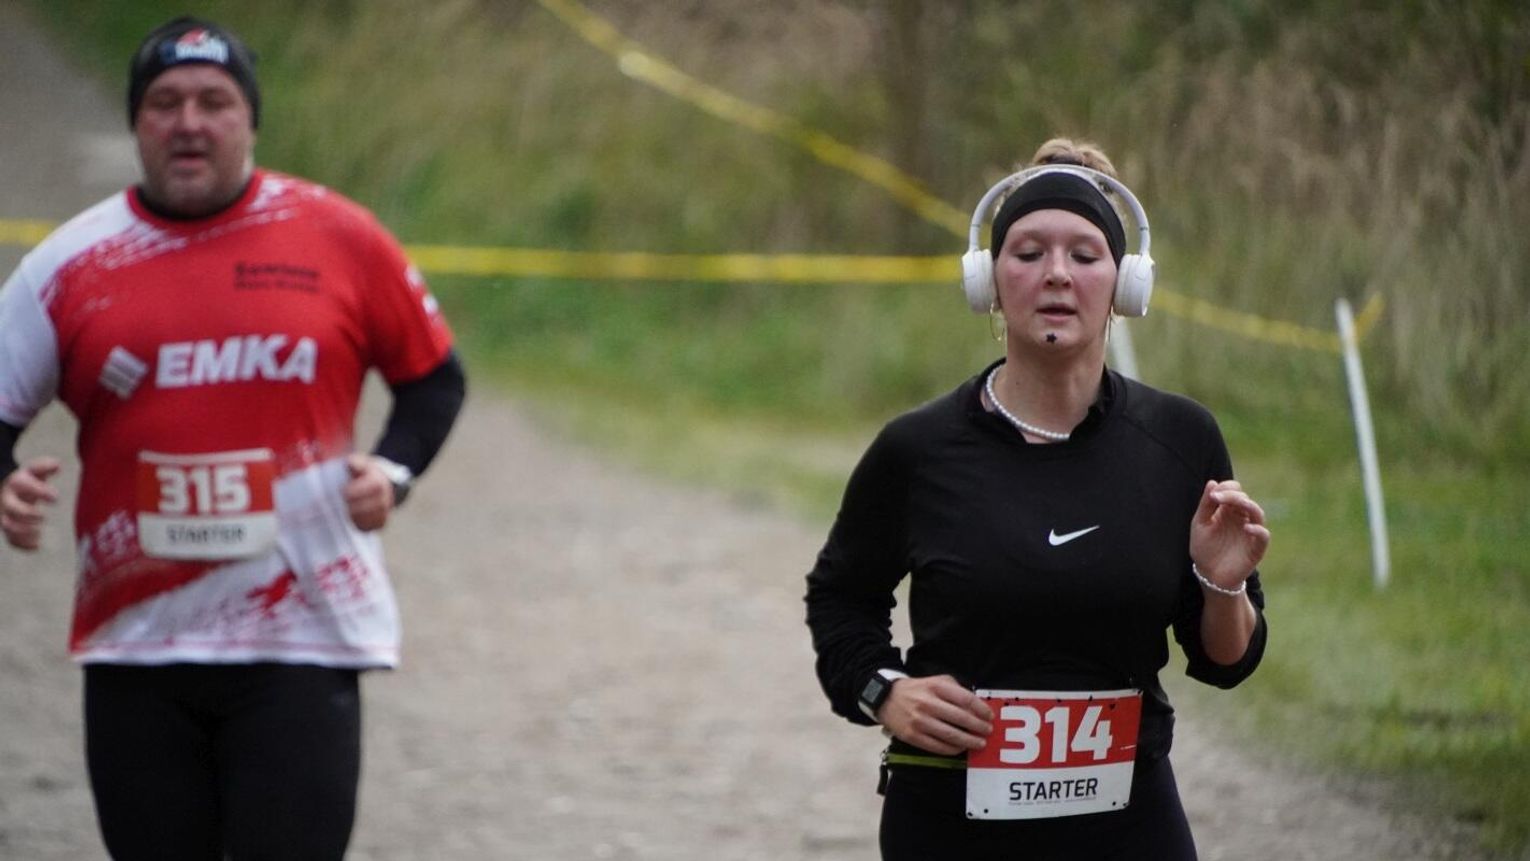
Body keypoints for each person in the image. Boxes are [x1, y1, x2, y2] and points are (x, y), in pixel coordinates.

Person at [0, 17, 466, 860]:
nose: (189, 123)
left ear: (250, 120)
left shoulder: (340, 237)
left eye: (214, 102)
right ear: (136, 122)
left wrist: (393, 471)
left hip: (303, 636)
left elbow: (435, 379)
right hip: (138, 642)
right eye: (165, 102)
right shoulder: (71, 262)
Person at [804, 138, 1268, 860]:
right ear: (988, 281)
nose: (1056, 273)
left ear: (1125, 285)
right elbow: (840, 597)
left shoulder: (1181, 439)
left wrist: (1221, 584)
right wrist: (883, 689)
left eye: (1084, 255)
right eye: (1027, 253)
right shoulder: (918, 449)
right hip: (948, 827)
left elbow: (1226, 661)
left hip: (1129, 825)